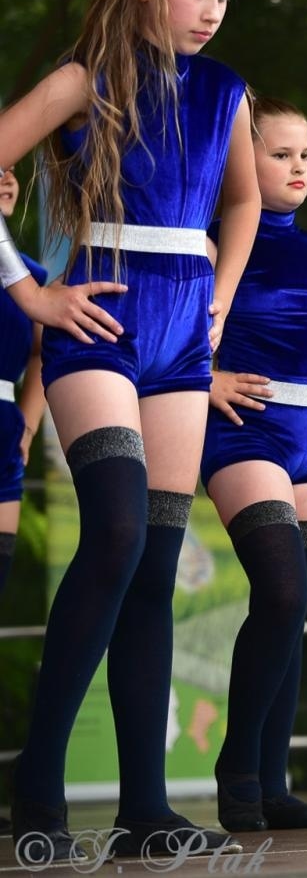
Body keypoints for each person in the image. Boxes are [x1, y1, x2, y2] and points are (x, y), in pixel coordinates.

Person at [2, 0, 259, 863]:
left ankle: (146, 812)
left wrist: (220, 300)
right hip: (99, 319)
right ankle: (38, 785)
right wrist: (31, 294)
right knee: (112, 531)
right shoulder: (86, 77)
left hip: (184, 335)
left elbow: (242, 205)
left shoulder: (227, 90)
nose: (211, 10)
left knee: (155, 564)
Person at [201, 97, 307, 831]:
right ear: (242, 157)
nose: (299, 168)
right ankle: (237, 770)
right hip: (247, 435)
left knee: (289, 614)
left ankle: (271, 782)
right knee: (284, 593)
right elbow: (165, 328)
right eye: (281, 154)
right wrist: (207, 380)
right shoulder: (211, 245)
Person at [0, 163, 46, 839]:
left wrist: (29, 427)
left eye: (10, 166)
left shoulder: (31, 276)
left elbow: (45, 349)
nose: (5, 176)